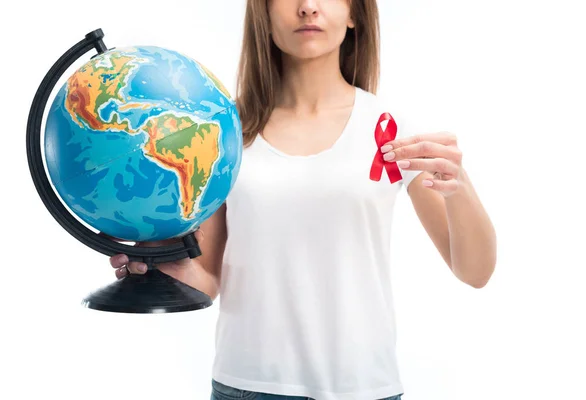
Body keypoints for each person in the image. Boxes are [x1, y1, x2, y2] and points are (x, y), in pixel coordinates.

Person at [109, 0, 496, 399]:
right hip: (247, 385)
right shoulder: (225, 133)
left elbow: (475, 272)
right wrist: (157, 265)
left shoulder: (390, 131)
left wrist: (460, 187)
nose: (308, 7)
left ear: (354, 14)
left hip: (364, 388)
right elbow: (206, 280)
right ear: (264, 13)